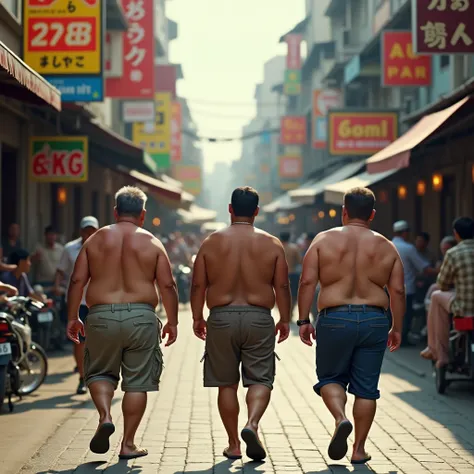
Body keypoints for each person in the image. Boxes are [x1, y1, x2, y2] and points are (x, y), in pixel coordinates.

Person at [66, 186, 178, 460]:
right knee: (137, 383)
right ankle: (128, 444)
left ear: (115, 212)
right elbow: (167, 284)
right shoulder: (152, 241)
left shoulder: (95, 240)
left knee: (99, 373)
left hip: (101, 315)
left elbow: (77, 280)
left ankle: (105, 415)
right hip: (141, 317)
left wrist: (72, 317)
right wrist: (173, 321)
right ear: (142, 215)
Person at [297, 187, 405, 465]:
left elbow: (307, 282)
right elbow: (399, 291)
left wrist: (303, 320)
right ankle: (358, 449)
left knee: (330, 378)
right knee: (366, 388)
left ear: (344, 211)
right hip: (374, 319)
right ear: (372, 214)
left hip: (334, 318)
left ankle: (340, 418)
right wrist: (397, 328)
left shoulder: (323, 240)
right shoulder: (386, 246)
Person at [191, 186, 291, 461]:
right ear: (257, 211)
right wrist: (285, 318)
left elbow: (198, 283)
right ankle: (253, 423)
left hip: (221, 317)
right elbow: (281, 284)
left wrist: (197, 316)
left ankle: (234, 444)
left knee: (226, 384)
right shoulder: (271, 243)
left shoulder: (211, 242)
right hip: (259, 318)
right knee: (260, 379)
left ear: (230, 209)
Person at [420, 217, 474, 367]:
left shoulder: (453, 253)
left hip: (463, 308)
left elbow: (442, 284)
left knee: (436, 296)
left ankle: (437, 352)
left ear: (456, 234)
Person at [55, 216, 99, 395]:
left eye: (92, 230)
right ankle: (82, 378)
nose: (89, 233)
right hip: (76, 301)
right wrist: (57, 285)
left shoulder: (104, 247)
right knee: (79, 341)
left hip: (97, 300)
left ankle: (95, 375)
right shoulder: (70, 249)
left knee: (96, 341)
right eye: (86, 230)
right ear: (81, 231)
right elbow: (60, 270)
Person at [392, 221, 436, 346]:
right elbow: (425, 268)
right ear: (405, 233)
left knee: (393, 313)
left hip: (389, 286)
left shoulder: (387, 245)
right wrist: (440, 270)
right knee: (405, 315)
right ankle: (402, 339)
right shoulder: (408, 248)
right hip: (406, 287)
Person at [32, 225, 64, 290]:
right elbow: (30, 262)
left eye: (53, 235)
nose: (51, 237)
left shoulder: (61, 249)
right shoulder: (39, 248)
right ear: (45, 235)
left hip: (57, 283)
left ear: (56, 236)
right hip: (42, 282)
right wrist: (35, 258)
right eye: (49, 234)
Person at [280, 232, 302, 319]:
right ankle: (290, 313)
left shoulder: (278, 247)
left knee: (281, 294)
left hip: (280, 274)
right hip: (292, 274)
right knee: (292, 295)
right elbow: (300, 261)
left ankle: (284, 313)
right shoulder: (294, 248)